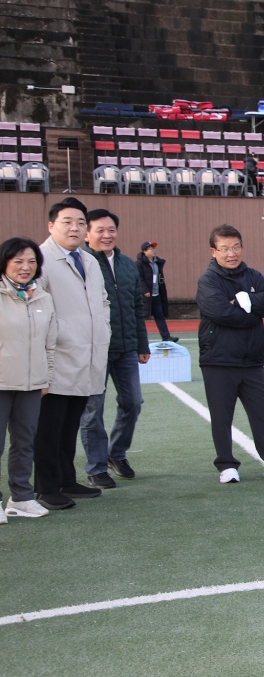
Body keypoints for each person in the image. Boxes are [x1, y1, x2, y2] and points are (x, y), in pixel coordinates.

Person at [197, 225, 264, 484]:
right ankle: (226, 465)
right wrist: (252, 311)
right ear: (213, 251)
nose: (232, 253)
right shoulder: (208, 281)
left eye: (236, 247)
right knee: (222, 416)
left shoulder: (253, 275)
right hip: (218, 360)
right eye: (225, 249)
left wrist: (242, 301)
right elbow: (221, 313)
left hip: (252, 360)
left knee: (263, 413)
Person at [33, 197, 111, 510]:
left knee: (70, 425)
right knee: (48, 428)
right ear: (51, 225)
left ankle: (66, 479)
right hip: (57, 355)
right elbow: (37, 305)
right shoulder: (41, 259)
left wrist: (103, 326)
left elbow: (102, 300)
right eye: (67, 222)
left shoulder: (89, 260)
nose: (74, 228)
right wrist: (59, 334)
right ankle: (46, 487)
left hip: (87, 354)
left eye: (80, 223)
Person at [79, 210, 150, 489]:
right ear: (87, 234)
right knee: (92, 410)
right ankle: (96, 467)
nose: (107, 235)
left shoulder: (127, 264)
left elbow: (136, 307)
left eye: (111, 230)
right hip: (95, 349)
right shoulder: (82, 263)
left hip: (127, 348)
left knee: (133, 402)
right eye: (100, 230)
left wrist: (142, 344)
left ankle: (116, 453)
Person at [0, 238, 55, 522]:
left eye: (32, 261)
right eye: (18, 261)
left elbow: (49, 344)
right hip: (1, 382)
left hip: (32, 384)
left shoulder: (42, 297)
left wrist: (45, 377)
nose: (26, 267)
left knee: (24, 443)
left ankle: (21, 498)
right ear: (5, 262)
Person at [136, 241, 177, 343]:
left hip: (156, 294)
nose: (154, 251)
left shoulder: (157, 263)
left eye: (154, 248)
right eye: (151, 249)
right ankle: (139, 337)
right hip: (145, 296)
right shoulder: (139, 263)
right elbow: (139, 278)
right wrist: (144, 290)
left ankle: (166, 337)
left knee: (160, 316)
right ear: (144, 251)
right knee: (141, 317)